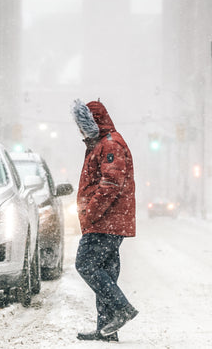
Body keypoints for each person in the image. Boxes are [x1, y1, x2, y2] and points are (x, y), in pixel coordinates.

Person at [71, 99, 138, 343]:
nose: (79, 130)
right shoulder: (101, 144)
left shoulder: (110, 145)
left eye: (82, 125)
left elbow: (110, 185)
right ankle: (107, 329)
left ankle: (122, 309)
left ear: (93, 122)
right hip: (108, 222)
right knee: (106, 273)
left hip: (105, 222)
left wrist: (90, 213)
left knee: (86, 265)